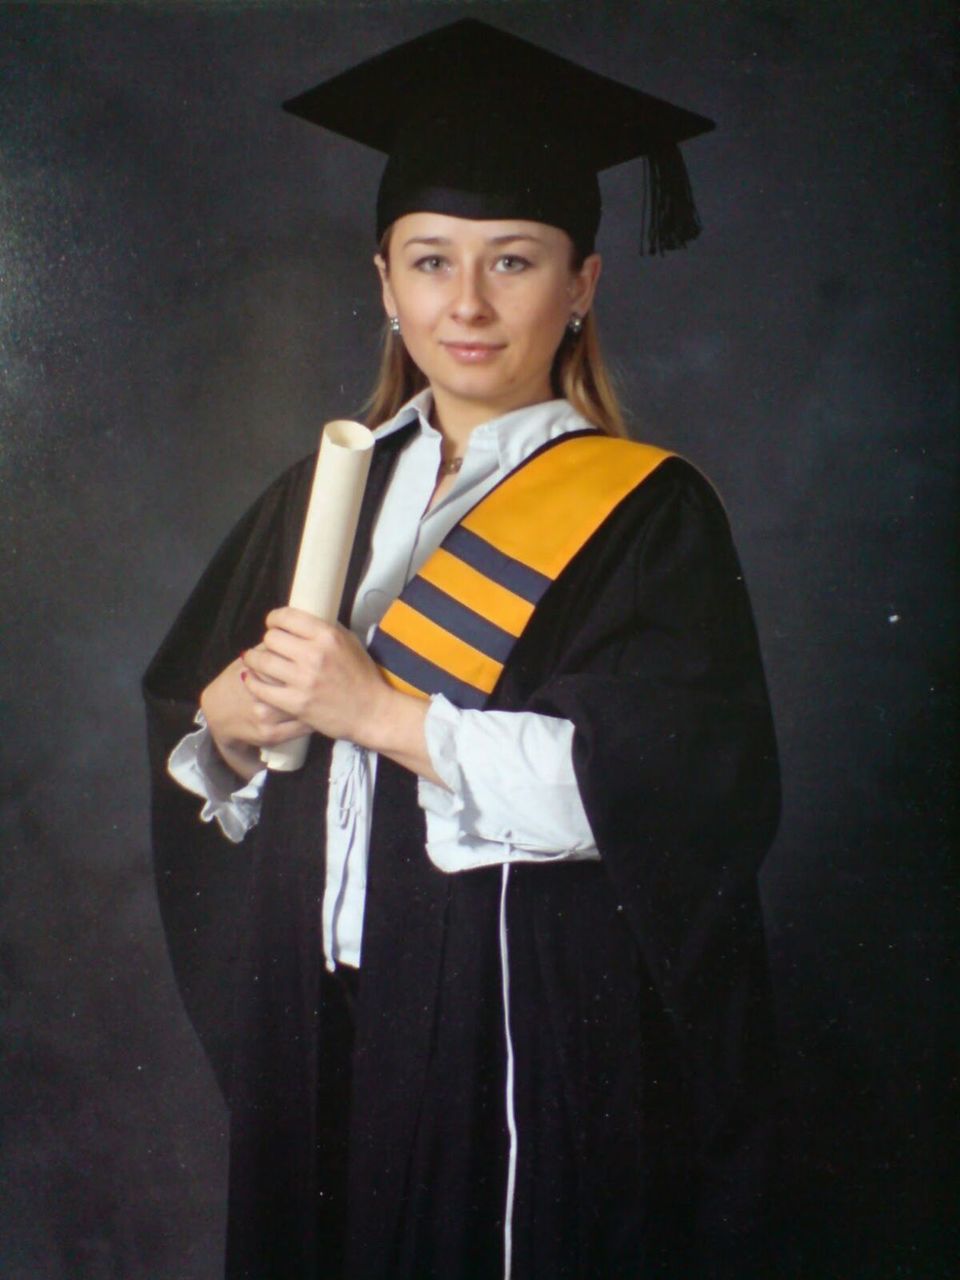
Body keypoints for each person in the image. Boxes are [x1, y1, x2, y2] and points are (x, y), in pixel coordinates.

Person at [144, 18, 780, 1280]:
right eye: (431, 261)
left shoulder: (645, 512)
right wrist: (223, 724)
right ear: (386, 282)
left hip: (501, 1044)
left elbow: (673, 787)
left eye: (516, 260)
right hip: (321, 1028)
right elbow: (214, 739)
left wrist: (380, 712)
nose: (469, 303)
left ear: (583, 284)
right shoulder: (320, 490)